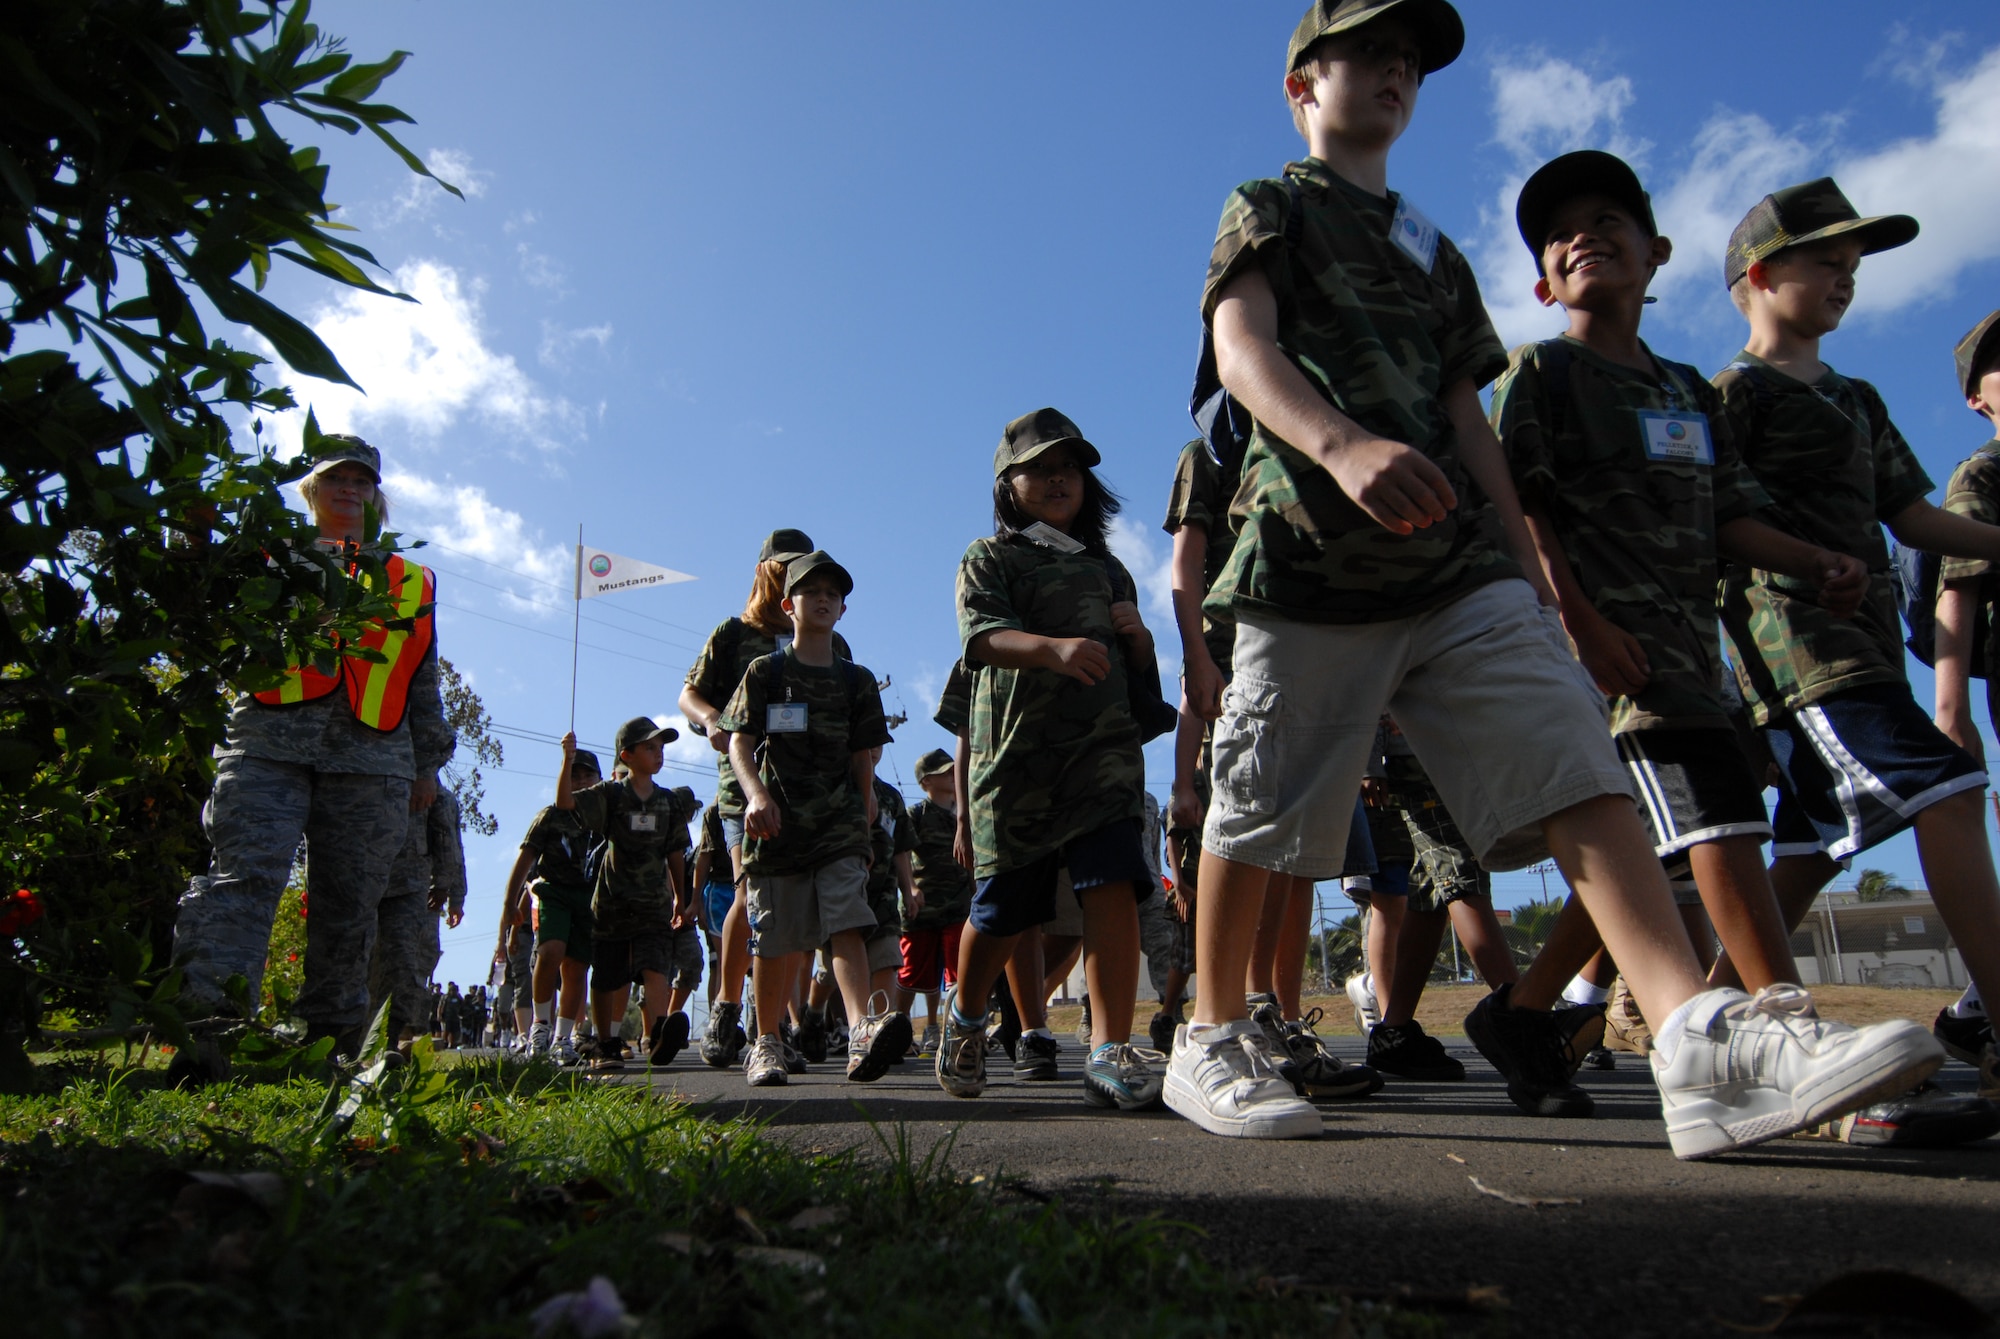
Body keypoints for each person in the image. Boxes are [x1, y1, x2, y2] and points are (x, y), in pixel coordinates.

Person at [1170, 0, 1941, 1155]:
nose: (1389, 73)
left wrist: (1529, 572)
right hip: (1310, 556)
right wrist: (1335, 446)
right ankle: (1209, 1030)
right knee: (1261, 792)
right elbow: (1244, 347)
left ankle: (1692, 1038)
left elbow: (1460, 416)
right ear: (1299, 88)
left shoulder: (1435, 251)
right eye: (1360, 55)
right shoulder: (1271, 205)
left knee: (1575, 758)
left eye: (1405, 62)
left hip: (1453, 564)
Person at [1477, 150, 1889, 1118]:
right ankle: (1785, 1024)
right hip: (1611, 652)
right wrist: (1576, 623)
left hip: (1695, 657)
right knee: (1716, 819)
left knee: (1655, 852)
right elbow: (1519, 513)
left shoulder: (1687, 394)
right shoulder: (1539, 373)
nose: (1585, 234)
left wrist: (1809, 559)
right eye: (1561, 231)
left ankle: (1525, 1011)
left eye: (1608, 219)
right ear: (1543, 280)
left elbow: (1728, 515)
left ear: (1656, 254)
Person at [1709, 179, 2000, 1098]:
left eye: (1853, 269)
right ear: (1758, 274)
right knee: (1950, 793)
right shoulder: (1733, 394)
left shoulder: (1859, 397)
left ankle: (1706, 1021)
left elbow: (1911, 517)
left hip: (1867, 646)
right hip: (1801, 650)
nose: (1845, 280)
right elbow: (1718, 518)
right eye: (1825, 263)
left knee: (1804, 848)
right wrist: (1804, 561)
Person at [171, 433, 451, 1079]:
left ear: (374, 492)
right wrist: (195, 540)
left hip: (374, 754)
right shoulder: (267, 555)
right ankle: (208, 1037)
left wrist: (426, 763)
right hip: (269, 739)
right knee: (243, 882)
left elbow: (421, 675)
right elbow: (201, 609)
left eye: (360, 480)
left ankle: (327, 1045)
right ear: (311, 488)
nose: (348, 489)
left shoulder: (410, 576)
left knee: (349, 902)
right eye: (335, 479)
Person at [936, 407, 1163, 1112]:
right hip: (1017, 763)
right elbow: (981, 639)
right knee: (1004, 909)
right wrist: (1053, 649)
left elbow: (1139, 685)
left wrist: (1141, 642)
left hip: (1103, 760)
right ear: (1009, 482)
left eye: (1071, 466)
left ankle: (1108, 1047)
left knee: (1112, 885)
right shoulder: (990, 557)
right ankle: (968, 1019)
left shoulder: (1109, 569)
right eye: (1040, 466)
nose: (1059, 477)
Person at [717, 551, 913, 1085]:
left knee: (847, 919)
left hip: (839, 823)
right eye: (811, 592)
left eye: (834, 594)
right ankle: (767, 1042)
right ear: (788, 605)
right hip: (777, 822)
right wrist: (755, 795)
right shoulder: (766, 672)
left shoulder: (858, 681)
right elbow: (740, 741)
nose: (823, 599)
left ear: (843, 610)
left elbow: (862, 754)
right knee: (775, 936)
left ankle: (860, 1030)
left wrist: (866, 806)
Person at [682, 530, 854, 1068]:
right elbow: (690, 692)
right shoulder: (734, 635)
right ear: (764, 571)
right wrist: (712, 720)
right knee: (749, 894)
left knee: (799, 910)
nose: (794, 574)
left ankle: (774, 1023)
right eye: (784, 566)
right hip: (749, 786)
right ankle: (728, 1010)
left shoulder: (830, 639)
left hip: (816, 796)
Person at [1932, 308, 2000, 1081]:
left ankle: (1975, 1009)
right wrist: (1949, 709)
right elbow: (1960, 588)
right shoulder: (1985, 473)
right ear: (1978, 401)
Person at [555, 717, 691, 1074]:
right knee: (608, 974)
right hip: (613, 901)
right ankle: (606, 1044)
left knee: (655, 963)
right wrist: (567, 761)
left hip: (654, 902)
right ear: (626, 755)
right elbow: (566, 802)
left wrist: (681, 896)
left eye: (660, 748)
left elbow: (675, 851)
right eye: (649, 747)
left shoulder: (669, 802)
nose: (658, 754)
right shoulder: (611, 795)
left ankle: (659, 1030)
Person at [505, 748, 603, 1065]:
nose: (582, 781)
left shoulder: (604, 819)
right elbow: (525, 859)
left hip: (588, 898)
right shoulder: (550, 816)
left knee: (576, 967)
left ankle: (563, 1038)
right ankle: (539, 1027)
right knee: (550, 953)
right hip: (554, 892)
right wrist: (510, 902)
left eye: (588, 775)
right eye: (574, 775)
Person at [370, 787, 467, 1047]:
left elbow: (452, 846)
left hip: (419, 891)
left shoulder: (439, 796)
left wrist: (452, 892)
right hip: (372, 884)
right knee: (372, 963)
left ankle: (397, 1037)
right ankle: (367, 1038)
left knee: (412, 965)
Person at [897, 747, 973, 1056]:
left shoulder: (963, 815)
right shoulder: (916, 815)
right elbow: (900, 851)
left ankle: (954, 1033)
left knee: (959, 973)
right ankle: (898, 1031)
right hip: (922, 908)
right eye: (947, 771)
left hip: (958, 906)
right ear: (927, 781)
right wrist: (910, 888)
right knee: (911, 974)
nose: (955, 774)